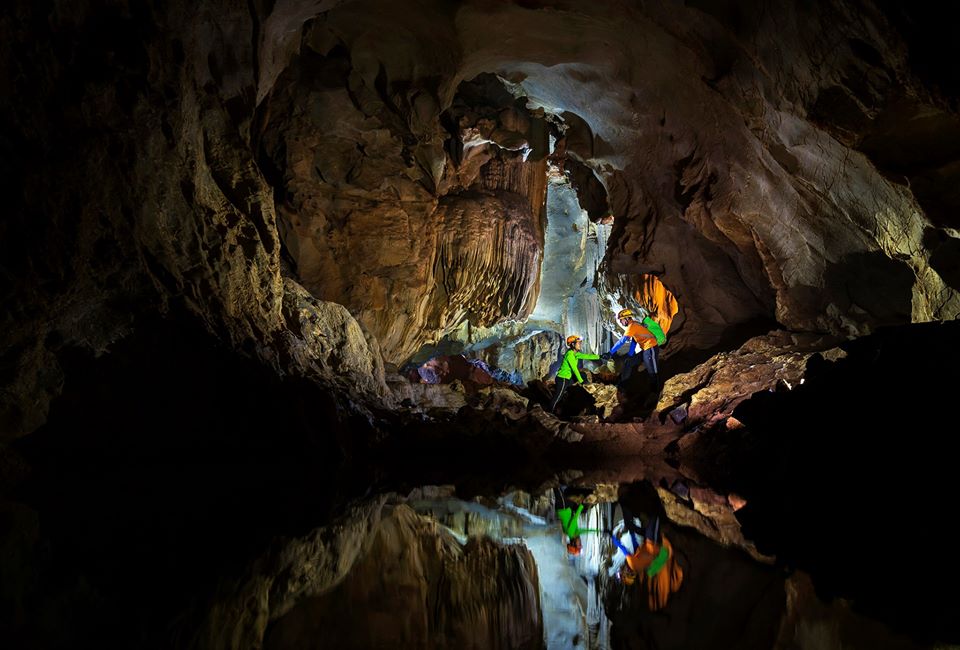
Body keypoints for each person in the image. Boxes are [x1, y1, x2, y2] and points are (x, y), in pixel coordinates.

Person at [610, 506, 683, 610]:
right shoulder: (632, 564)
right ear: (627, 572)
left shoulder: (638, 569)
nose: (621, 570)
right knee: (655, 517)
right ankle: (665, 506)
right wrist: (614, 539)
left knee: (652, 519)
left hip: (650, 543)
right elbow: (624, 549)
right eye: (622, 572)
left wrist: (632, 534)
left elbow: (636, 548)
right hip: (653, 543)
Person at [602, 308, 665, 390]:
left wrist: (610, 353)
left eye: (621, 320)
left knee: (652, 369)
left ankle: (656, 389)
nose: (620, 322)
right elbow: (634, 341)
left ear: (627, 318)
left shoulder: (632, 326)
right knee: (629, 362)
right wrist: (630, 354)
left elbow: (622, 341)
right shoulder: (634, 325)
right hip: (645, 349)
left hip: (651, 347)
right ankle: (623, 385)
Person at [550, 335, 600, 413]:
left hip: (568, 379)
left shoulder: (575, 354)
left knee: (583, 374)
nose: (580, 345)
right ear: (573, 344)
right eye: (578, 343)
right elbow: (575, 370)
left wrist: (600, 356)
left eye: (580, 343)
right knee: (558, 397)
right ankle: (550, 412)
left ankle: (587, 388)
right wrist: (581, 381)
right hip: (562, 379)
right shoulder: (570, 355)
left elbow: (587, 356)